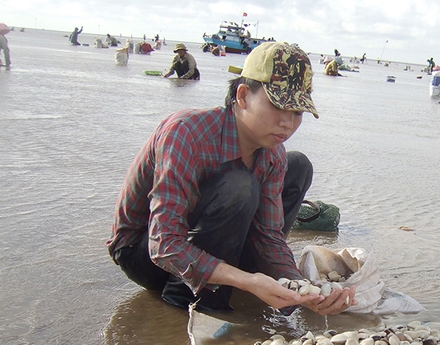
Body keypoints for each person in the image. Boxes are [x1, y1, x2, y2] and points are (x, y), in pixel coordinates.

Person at [107, 42, 356, 316]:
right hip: (147, 254)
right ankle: (188, 300)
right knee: (240, 185)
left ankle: (246, 281)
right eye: (278, 106)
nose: (288, 122)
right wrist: (247, 280)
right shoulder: (185, 133)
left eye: (297, 112)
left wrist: (300, 289)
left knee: (298, 164)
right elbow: (163, 242)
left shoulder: (274, 155)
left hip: (215, 243)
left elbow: (270, 236)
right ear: (243, 95)